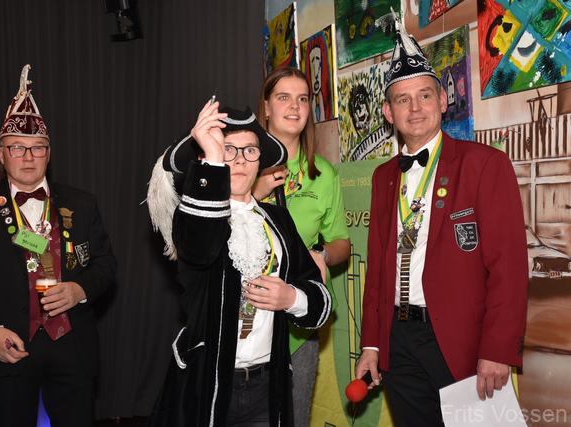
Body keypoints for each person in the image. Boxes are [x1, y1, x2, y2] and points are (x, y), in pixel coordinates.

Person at [354, 19, 528, 425]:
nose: (414, 108)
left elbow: (508, 266)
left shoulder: (484, 165)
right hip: (398, 341)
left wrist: (498, 348)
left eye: (424, 95)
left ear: (443, 100)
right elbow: (376, 270)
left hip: (460, 340)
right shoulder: (382, 177)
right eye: (402, 99)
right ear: (387, 112)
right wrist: (372, 344)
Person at [0, 64, 116, 427]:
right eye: (17, 147)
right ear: (1, 154)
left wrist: (79, 290)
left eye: (37, 148)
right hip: (7, 346)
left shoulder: (82, 203)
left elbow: (105, 266)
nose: (27, 157)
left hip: (72, 349)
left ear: (49, 154)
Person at [146, 102, 331, 426]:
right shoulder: (193, 218)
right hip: (208, 385)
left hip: (267, 385)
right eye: (229, 149)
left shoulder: (278, 220)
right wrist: (213, 161)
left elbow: (319, 296)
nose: (241, 160)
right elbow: (201, 250)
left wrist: (291, 298)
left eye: (250, 150)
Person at [252, 67, 350, 425]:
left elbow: (341, 243)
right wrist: (254, 192)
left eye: (303, 99)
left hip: (298, 318)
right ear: (266, 107)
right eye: (283, 97)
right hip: (247, 318)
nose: (294, 106)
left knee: (294, 416)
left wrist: (321, 254)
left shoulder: (323, 174)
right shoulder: (242, 165)